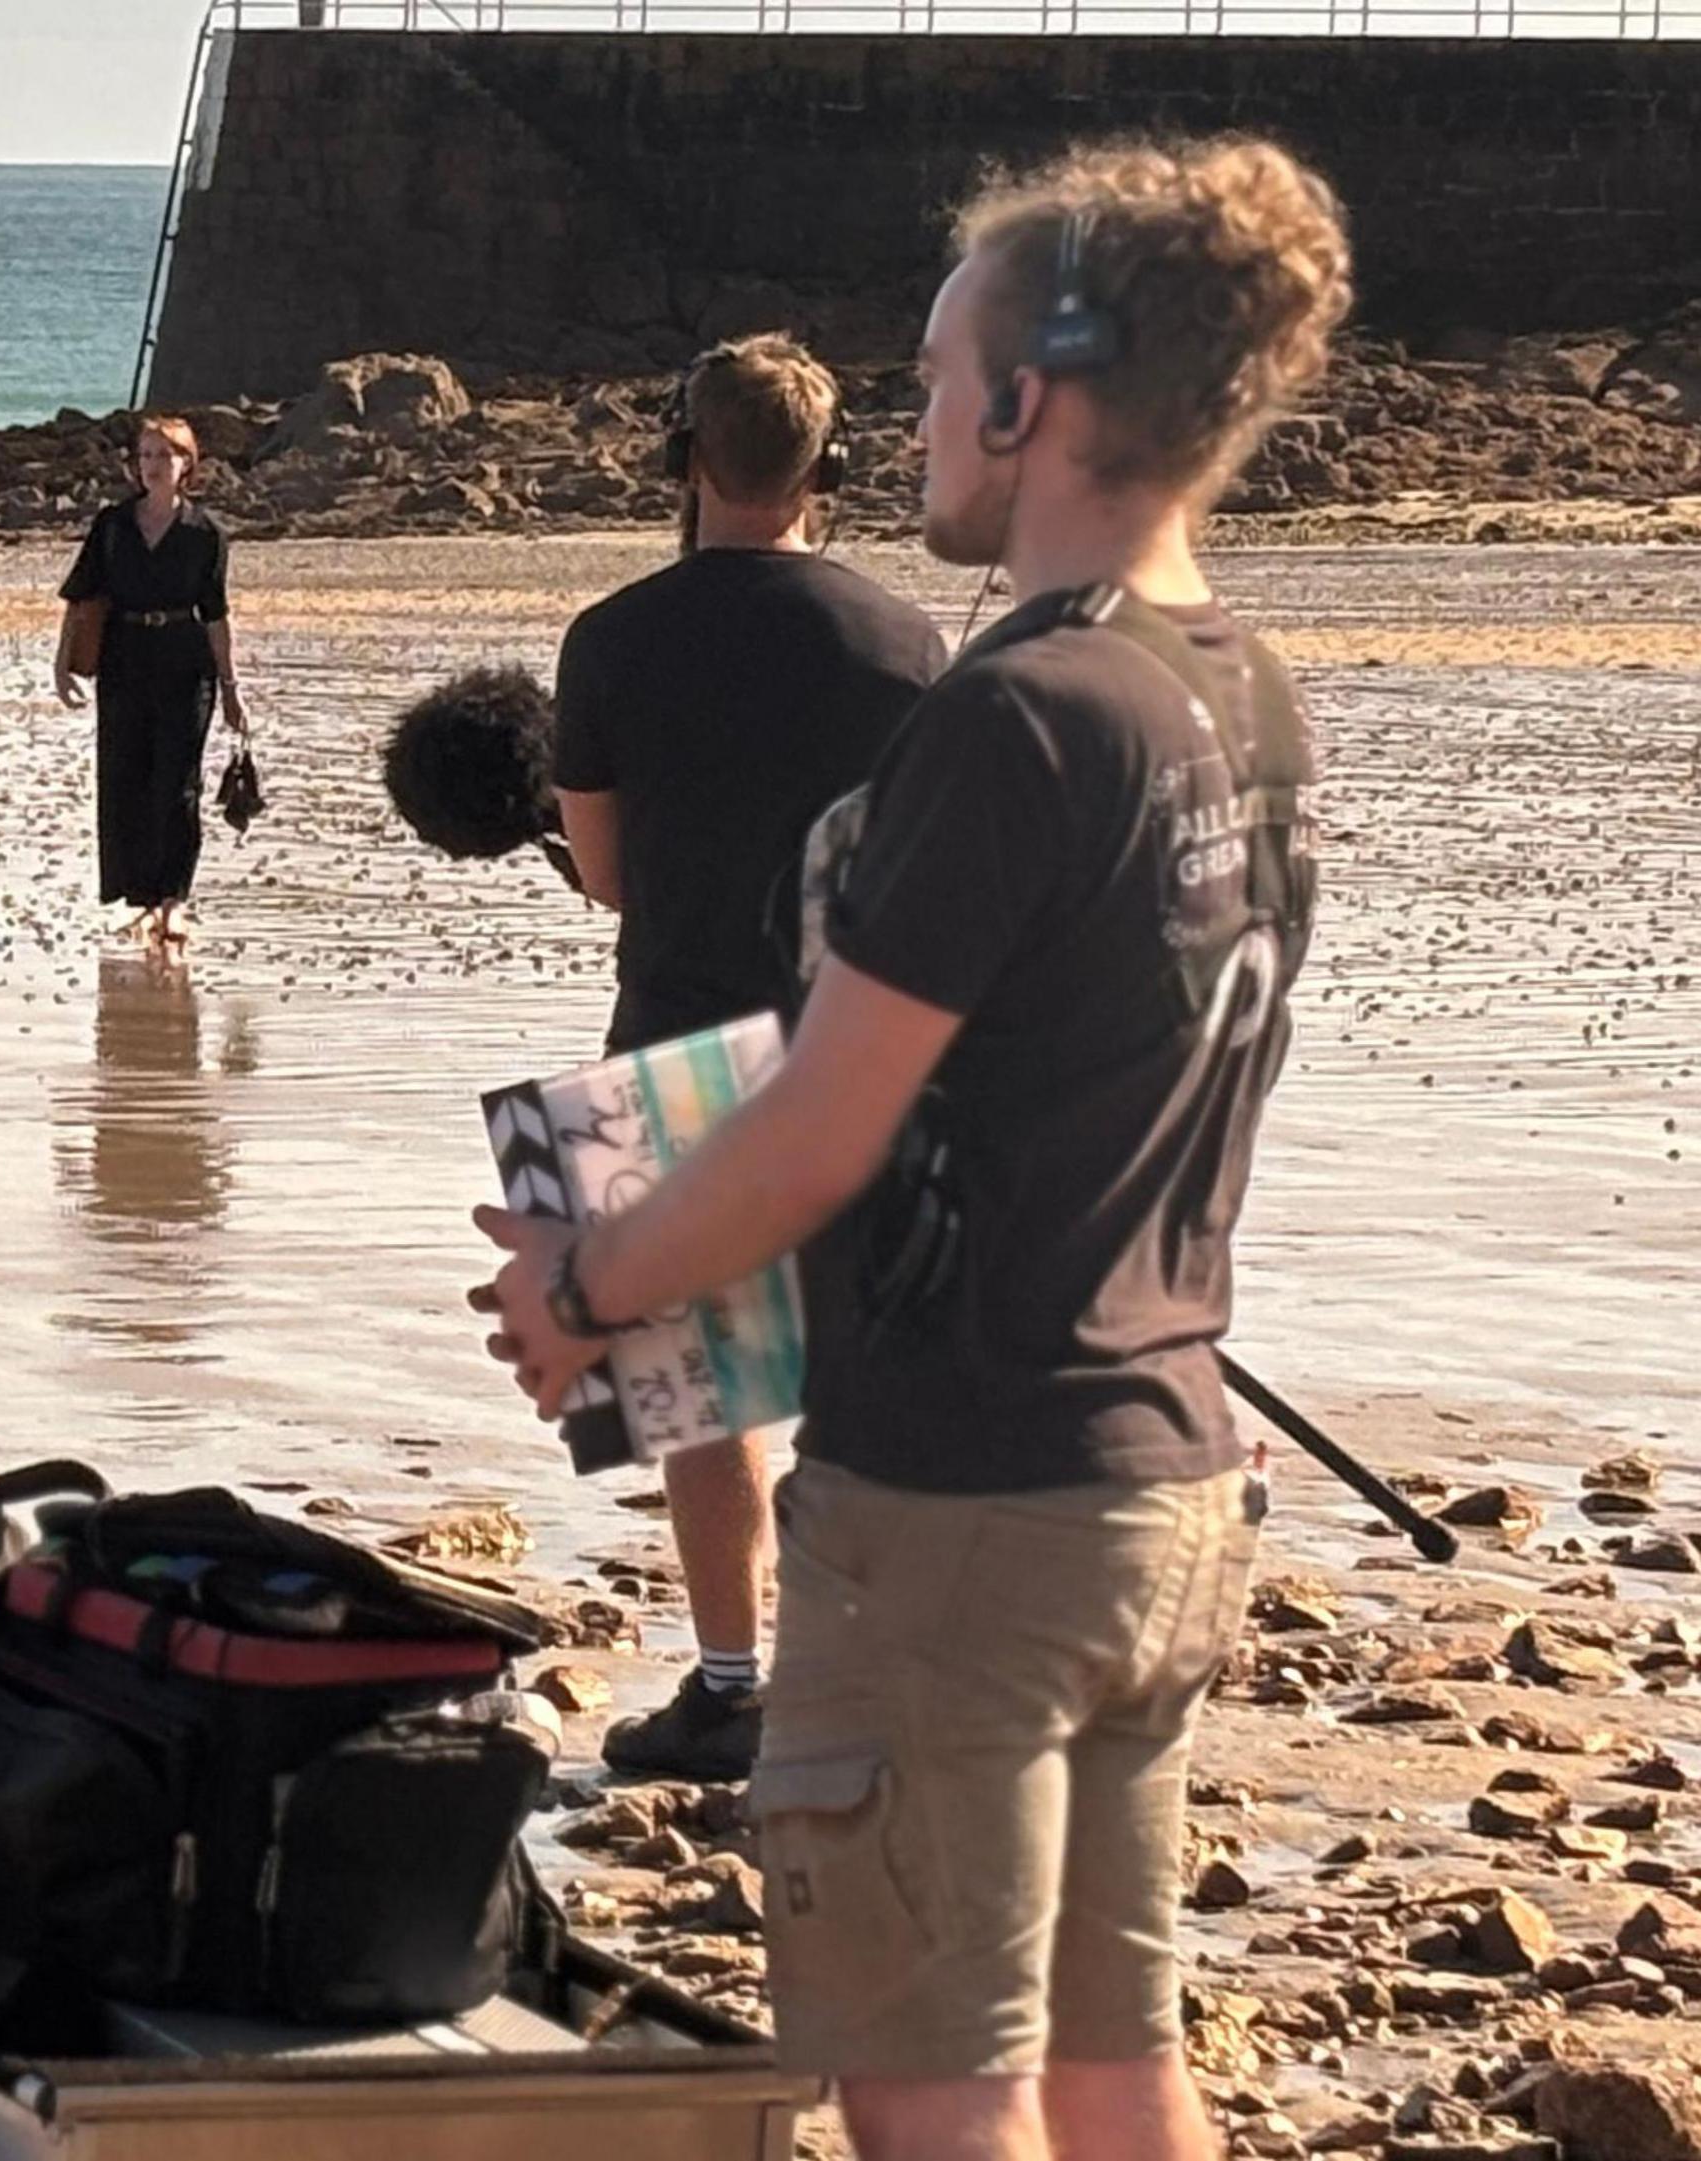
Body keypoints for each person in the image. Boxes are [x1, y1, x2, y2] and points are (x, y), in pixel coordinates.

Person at [476, 134, 1347, 2160]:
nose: (927, 417)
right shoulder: (1240, 690)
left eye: (946, 370)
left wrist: (586, 1285)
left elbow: (818, 1125)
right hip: (1154, 1480)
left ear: (1034, 398)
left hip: (961, 1514)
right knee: (1125, 2078)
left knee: (931, 2100)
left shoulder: (1025, 711)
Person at [547, 333, 946, 1784]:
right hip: (853, 1054)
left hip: (671, 1033)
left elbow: (606, 876)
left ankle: (728, 1688)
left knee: (701, 1398)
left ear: (683, 462)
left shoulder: (610, 638)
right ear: (828, 473)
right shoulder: (907, 645)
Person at [57, 414, 249, 947]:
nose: (153, 466)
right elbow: (81, 596)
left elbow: (215, 613)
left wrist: (231, 689)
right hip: (123, 659)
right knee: (126, 780)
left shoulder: (205, 533)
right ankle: (140, 899)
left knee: (177, 783)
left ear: (187, 464)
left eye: (164, 456)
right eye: (145, 456)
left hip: (185, 663)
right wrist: (62, 664)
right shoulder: (112, 525)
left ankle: (174, 900)